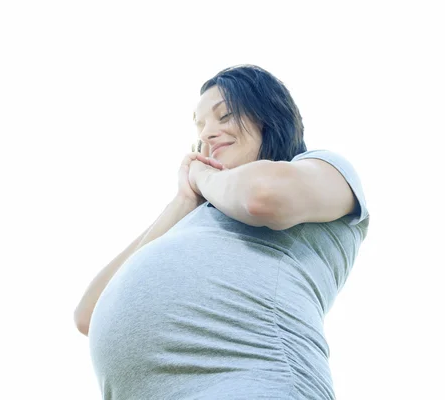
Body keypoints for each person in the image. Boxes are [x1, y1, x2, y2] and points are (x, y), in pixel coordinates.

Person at [74, 64, 370, 399]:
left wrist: (201, 176)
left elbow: (262, 197)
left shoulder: (319, 167)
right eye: (200, 126)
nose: (206, 134)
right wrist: (184, 201)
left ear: (268, 117)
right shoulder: (201, 216)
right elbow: (88, 313)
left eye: (224, 115)